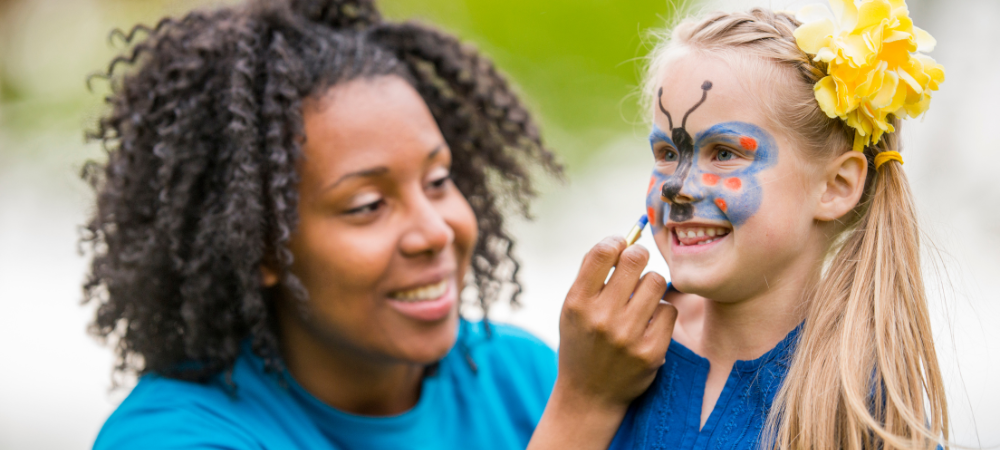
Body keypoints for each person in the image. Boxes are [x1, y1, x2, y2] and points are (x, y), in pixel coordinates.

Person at [82, 0, 674, 448]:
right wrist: (580, 411)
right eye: (367, 205)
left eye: (439, 181)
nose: (435, 231)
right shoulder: (176, 434)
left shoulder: (518, 376)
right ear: (258, 249)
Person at [608, 3, 948, 449]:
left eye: (725, 152)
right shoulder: (610, 355)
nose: (677, 187)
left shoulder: (868, 422)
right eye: (668, 154)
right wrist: (581, 389)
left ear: (835, 186)